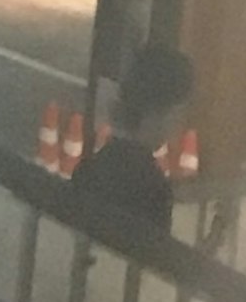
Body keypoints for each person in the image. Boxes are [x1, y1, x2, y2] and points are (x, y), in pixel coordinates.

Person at [71, 43, 195, 242]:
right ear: (162, 114)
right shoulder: (153, 188)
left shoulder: (90, 167)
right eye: (179, 115)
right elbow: (155, 262)